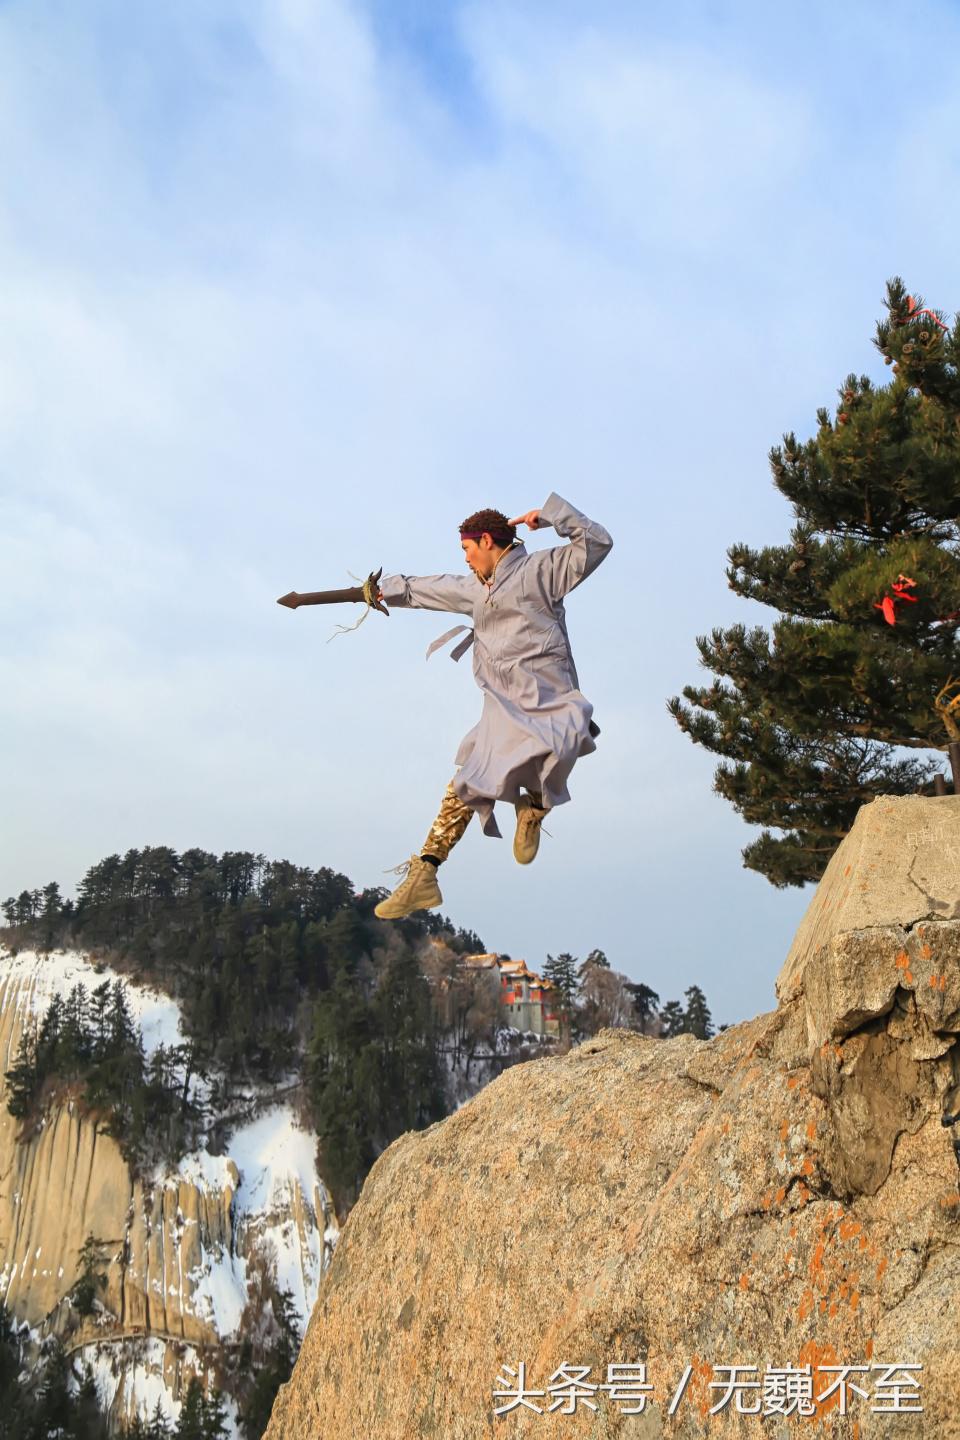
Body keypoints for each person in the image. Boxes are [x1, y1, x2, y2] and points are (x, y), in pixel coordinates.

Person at [373, 493, 612, 919]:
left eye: (467, 549)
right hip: (501, 708)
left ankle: (533, 808)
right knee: (469, 781)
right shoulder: (473, 591)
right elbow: (425, 589)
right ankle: (425, 873)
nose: (464, 560)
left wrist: (553, 515)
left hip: (549, 698)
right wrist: (381, 590)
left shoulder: (543, 570)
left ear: (486, 541)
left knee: (568, 737)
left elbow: (596, 543)